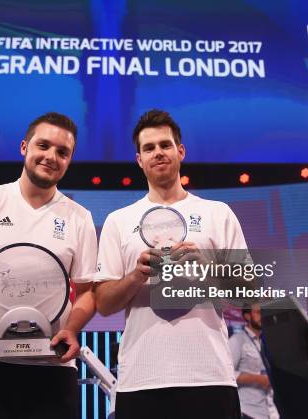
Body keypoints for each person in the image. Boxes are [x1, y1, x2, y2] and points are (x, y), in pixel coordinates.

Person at [0, 112, 98, 419]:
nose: (51, 156)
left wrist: (73, 329)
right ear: (24, 147)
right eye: (43, 145)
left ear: (69, 161)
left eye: (62, 152)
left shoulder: (80, 217)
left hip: (52, 366)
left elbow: (89, 291)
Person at [95, 109, 249, 419]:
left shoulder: (218, 213)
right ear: (139, 159)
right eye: (148, 148)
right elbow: (103, 303)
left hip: (210, 376)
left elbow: (249, 292)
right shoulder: (118, 221)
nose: (158, 153)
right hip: (141, 379)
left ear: (180, 151)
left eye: (165, 145)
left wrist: (207, 268)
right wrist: (136, 276)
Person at [228, 303, 279, 419]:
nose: (262, 316)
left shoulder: (267, 342)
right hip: (248, 411)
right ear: (247, 316)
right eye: (258, 312)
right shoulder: (237, 340)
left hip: (271, 411)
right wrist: (258, 379)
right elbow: (227, 373)